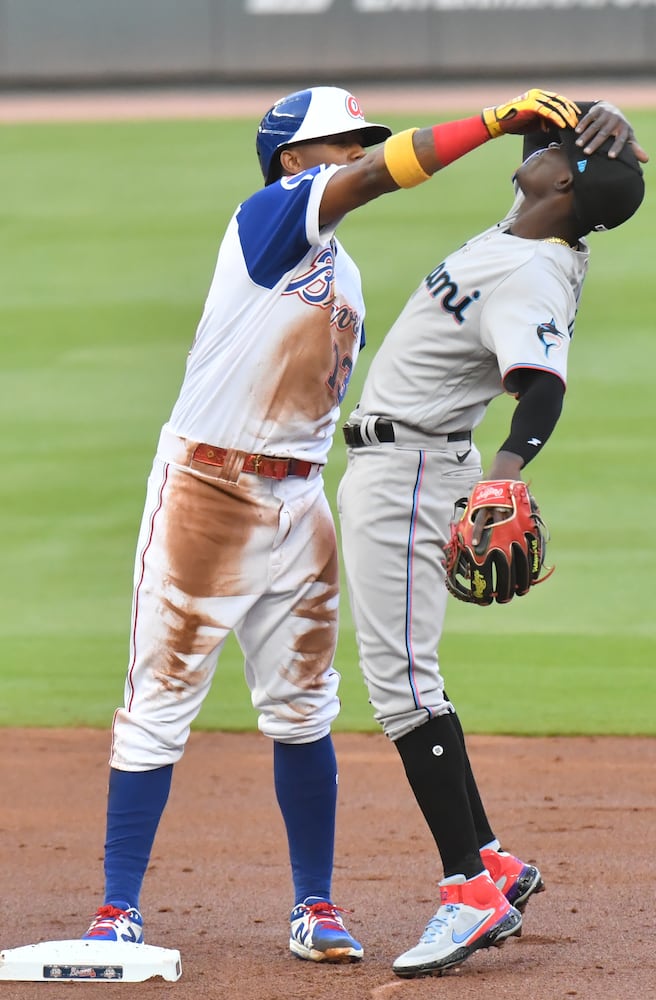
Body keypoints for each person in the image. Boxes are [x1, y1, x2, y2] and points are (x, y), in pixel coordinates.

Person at [78, 83, 630, 967]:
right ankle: (117, 910)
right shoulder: (270, 217)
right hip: (208, 492)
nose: (355, 152)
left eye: (358, 140)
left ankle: (317, 905)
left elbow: (558, 212)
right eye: (337, 142)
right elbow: (398, 181)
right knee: (160, 702)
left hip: (305, 501)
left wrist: (607, 141)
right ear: (291, 160)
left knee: (305, 709)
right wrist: (493, 123)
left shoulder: (348, 272)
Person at [336, 108, 645, 978]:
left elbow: (539, 389)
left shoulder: (533, 273)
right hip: (409, 460)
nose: (541, 154)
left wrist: (505, 475)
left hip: (412, 476)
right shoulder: (533, 224)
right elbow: (547, 158)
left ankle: (468, 890)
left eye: (558, 154)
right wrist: (574, 114)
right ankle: (494, 861)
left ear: (562, 188)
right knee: (411, 679)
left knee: (402, 685)